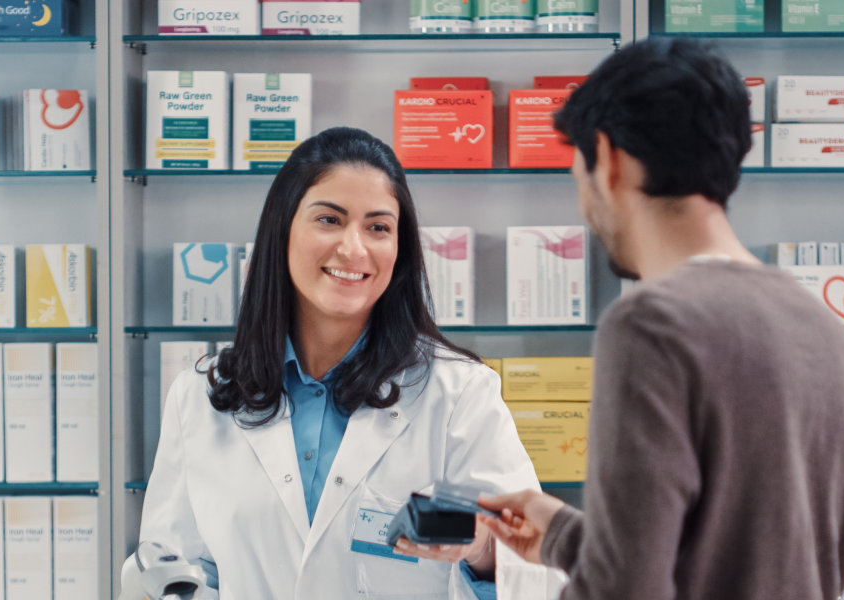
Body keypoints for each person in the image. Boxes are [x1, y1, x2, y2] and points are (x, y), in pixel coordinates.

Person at [476, 38, 844, 600]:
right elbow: (759, 556)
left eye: (577, 172)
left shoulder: (652, 324)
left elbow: (624, 590)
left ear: (608, 158)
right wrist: (563, 534)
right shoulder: (820, 325)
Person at [136, 126, 547, 599]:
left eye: (378, 227)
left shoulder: (459, 394)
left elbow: (529, 571)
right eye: (329, 219)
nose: (354, 248)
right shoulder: (203, 393)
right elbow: (176, 564)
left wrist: (481, 551)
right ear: (282, 229)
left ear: (400, 249)